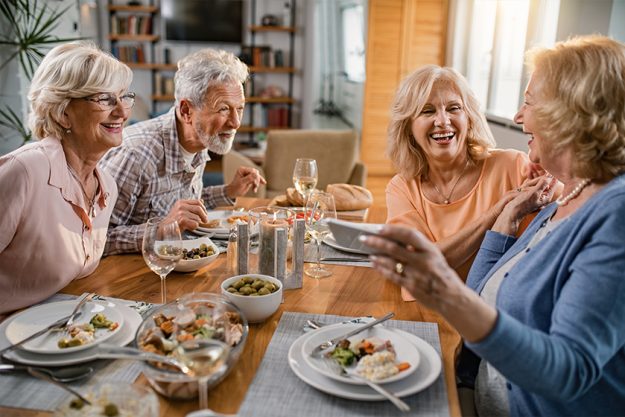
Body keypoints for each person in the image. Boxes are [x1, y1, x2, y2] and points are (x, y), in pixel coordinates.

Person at [365, 35, 625, 416]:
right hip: (477, 386)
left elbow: (567, 372)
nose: (518, 118)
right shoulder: (567, 198)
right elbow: (485, 290)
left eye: (529, 103)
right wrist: (506, 216)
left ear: (571, 113)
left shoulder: (614, 214)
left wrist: (444, 292)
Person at [0, 42, 133, 315]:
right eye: (105, 99)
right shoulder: (24, 171)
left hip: (65, 330)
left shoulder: (106, 185)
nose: (122, 112)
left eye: (123, 97)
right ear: (63, 113)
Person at [385, 65, 549, 287]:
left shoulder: (514, 166)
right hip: (426, 309)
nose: (443, 121)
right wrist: (497, 211)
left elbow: (571, 200)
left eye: (454, 108)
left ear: (469, 118)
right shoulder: (402, 188)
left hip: (490, 313)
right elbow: (417, 264)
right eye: (427, 111)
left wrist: (552, 173)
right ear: (408, 127)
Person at [99, 48, 265, 255]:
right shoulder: (135, 155)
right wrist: (163, 228)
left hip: (178, 264)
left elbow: (181, 202)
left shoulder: (199, 140)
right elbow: (95, 239)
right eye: (223, 109)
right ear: (186, 110)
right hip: (134, 278)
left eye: (239, 108)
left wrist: (229, 191)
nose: (236, 122)